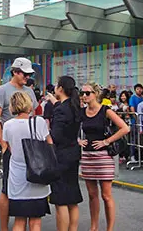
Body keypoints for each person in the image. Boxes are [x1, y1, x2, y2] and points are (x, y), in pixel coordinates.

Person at [0, 57, 39, 231]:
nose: (27, 77)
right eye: (25, 74)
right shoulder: (2, 91)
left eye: (29, 74)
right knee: (7, 188)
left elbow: (33, 115)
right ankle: (4, 228)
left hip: (30, 147)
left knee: (29, 185)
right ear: (15, 72)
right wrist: (3, 143)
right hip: (11, 147)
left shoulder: (30, 91)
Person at [79, 82, 130, 231]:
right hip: (88, 156)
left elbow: (125, 128)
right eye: (82, 93)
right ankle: (93, 227)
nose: (84, 96)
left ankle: (109, 228)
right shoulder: (82, 112)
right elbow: (70, 127)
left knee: (106, 195)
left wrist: (106, 141)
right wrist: (77, 141)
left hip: (103, 156)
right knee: (92, 194)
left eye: (87, 93)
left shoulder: (105, 111)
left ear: (96, 94)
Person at [3, 92, 52, 231]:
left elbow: (8, 147)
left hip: (17, 177)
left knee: (19, 221)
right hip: (38, 173)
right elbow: (49, 142)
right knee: (35, 221)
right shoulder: (39, 122)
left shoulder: (7, 125)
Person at [44, 76, 83, 231]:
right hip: (73, 153)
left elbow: (56, 135)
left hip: (61, 156)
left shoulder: (61, 109)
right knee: (72, 198)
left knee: (60, 200)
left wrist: (47, 136)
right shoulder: (74, 106)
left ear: (60, 88)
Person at [128, 84, 143, 162]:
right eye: (138, 89)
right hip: (135, 122)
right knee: (133, 139)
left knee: (141, 140)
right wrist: (137, 120)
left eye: (141, 89)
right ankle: (132, 155)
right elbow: (132, 109)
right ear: (135, 90)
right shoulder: (133, 98)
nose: (139, 90)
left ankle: (141, 156)